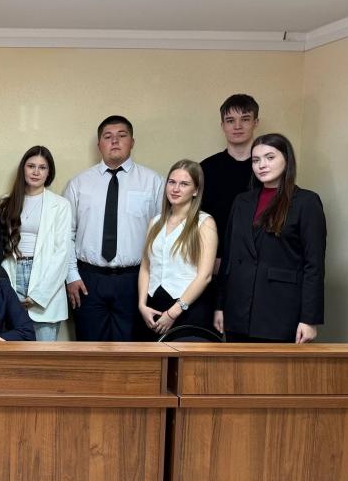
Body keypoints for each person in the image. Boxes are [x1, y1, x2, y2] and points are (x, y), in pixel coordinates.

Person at [215, 134, 326, 343]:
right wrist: (220, 306)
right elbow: (228, 258)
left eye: (270, 157)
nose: (261, 165)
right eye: (256, 160)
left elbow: (314, 266)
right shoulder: (241, 201)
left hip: (280, 311)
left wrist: (309, 319)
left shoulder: (306, 202)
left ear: (287, 159)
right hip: (237, 310)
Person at [64, 115, 164, 341]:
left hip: (135, 279)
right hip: (87, 280)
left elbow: (163, 235)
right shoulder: (78, 184)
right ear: (99, 144)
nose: (115, 141)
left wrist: (154, 281)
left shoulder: (154, 182)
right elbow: (66, 235)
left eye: (122, 135)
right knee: (89, 348)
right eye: (108, 137)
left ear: (132, 142)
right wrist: (71, 276)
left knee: (132, 348)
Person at [0, 146, 71, 341]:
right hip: (13, 273)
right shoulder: (5, 202)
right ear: (23, 168)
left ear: (49, 172)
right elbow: (0, 249)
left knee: (43, 352)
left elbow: (62, 253)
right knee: (12, 348)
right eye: (31, 166)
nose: (36, 172)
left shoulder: (60, 205)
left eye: (42, 167)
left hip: (46, 278)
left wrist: (39, 295)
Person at [138, 160, 218, 338]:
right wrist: (142, 305)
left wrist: (173, 313)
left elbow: (205, 276)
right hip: (153, 308)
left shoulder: (205, 223)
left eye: (184, 184)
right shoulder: (155, 222)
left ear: (196, 190)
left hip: (188, 309)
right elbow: (146, 267)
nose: (175, 189)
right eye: (172, 182)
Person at [201, 94, 259, 274]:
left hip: (259, 264)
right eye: (230, 120)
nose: (237, 126)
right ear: (222, 126)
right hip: (214, 263)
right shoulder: (206, 168)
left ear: (256, 123)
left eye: (245, 119)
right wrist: (211, 258)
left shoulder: (267, 169)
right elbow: (197, 218)